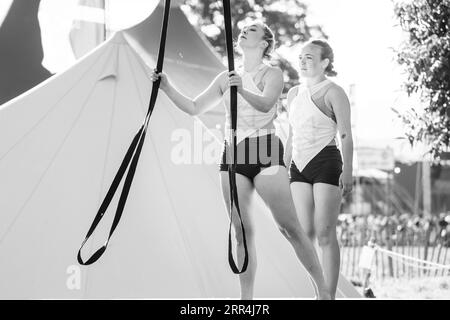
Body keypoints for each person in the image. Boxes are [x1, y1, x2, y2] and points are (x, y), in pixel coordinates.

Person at [150, 21, 330, 300]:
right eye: (244, 29)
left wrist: (241, 88)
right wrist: (167, 87)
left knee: (289, 227)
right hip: (233, 151)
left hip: (264, 148)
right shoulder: (226, 77)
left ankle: (323, 291)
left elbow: (267, 104)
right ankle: (245, 300)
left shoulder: (272, 73)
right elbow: (194, 107)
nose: (245, 30)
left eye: (253, 29)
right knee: (240, 230)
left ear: (264, 44)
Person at [284, 39, 354, 299]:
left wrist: (348, 171)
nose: (303, 61)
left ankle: (330, 296)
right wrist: (284, 165)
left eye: (310, 57)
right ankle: (319, 292)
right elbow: (292, 134)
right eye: (301, 57)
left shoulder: (334, 92)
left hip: (327, 162)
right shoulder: (293, 94)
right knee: (303, 235)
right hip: (298, 168)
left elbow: (346, 134)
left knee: (325, 234)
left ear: (325, 62)